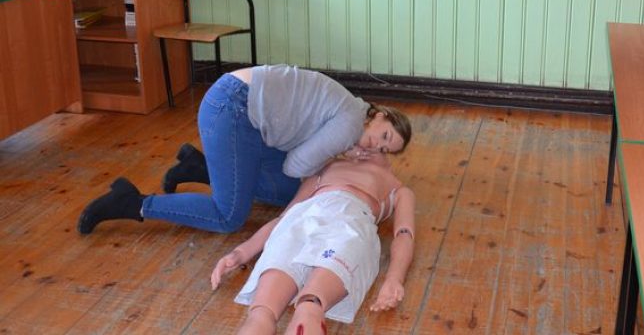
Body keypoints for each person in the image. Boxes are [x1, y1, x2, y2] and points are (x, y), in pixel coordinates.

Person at [77, 64, 412, 235]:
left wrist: (339, 151)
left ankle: (200, 167)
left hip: (235, 102)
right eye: (384, 135)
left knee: (286, 193)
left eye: (386, 148)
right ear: (379, 115)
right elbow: (296, 165)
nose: (377, 145)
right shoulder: (350, 124)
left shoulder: (351, 110)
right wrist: (332, 157)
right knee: (228, 217)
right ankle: (133, 202)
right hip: (233, 110)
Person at [210, 151, 415, 335]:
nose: (373, 146)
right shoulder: (324, 169)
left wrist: (394, 278)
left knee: (310, 306)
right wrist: (242, 252)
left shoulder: (397, 188)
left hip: (351, 224)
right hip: (303, 218)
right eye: (370, 138)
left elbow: (404, 234)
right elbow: (284, 217)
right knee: (261, 312)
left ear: (392, 159)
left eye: (384, 147)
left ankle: (309, 311)